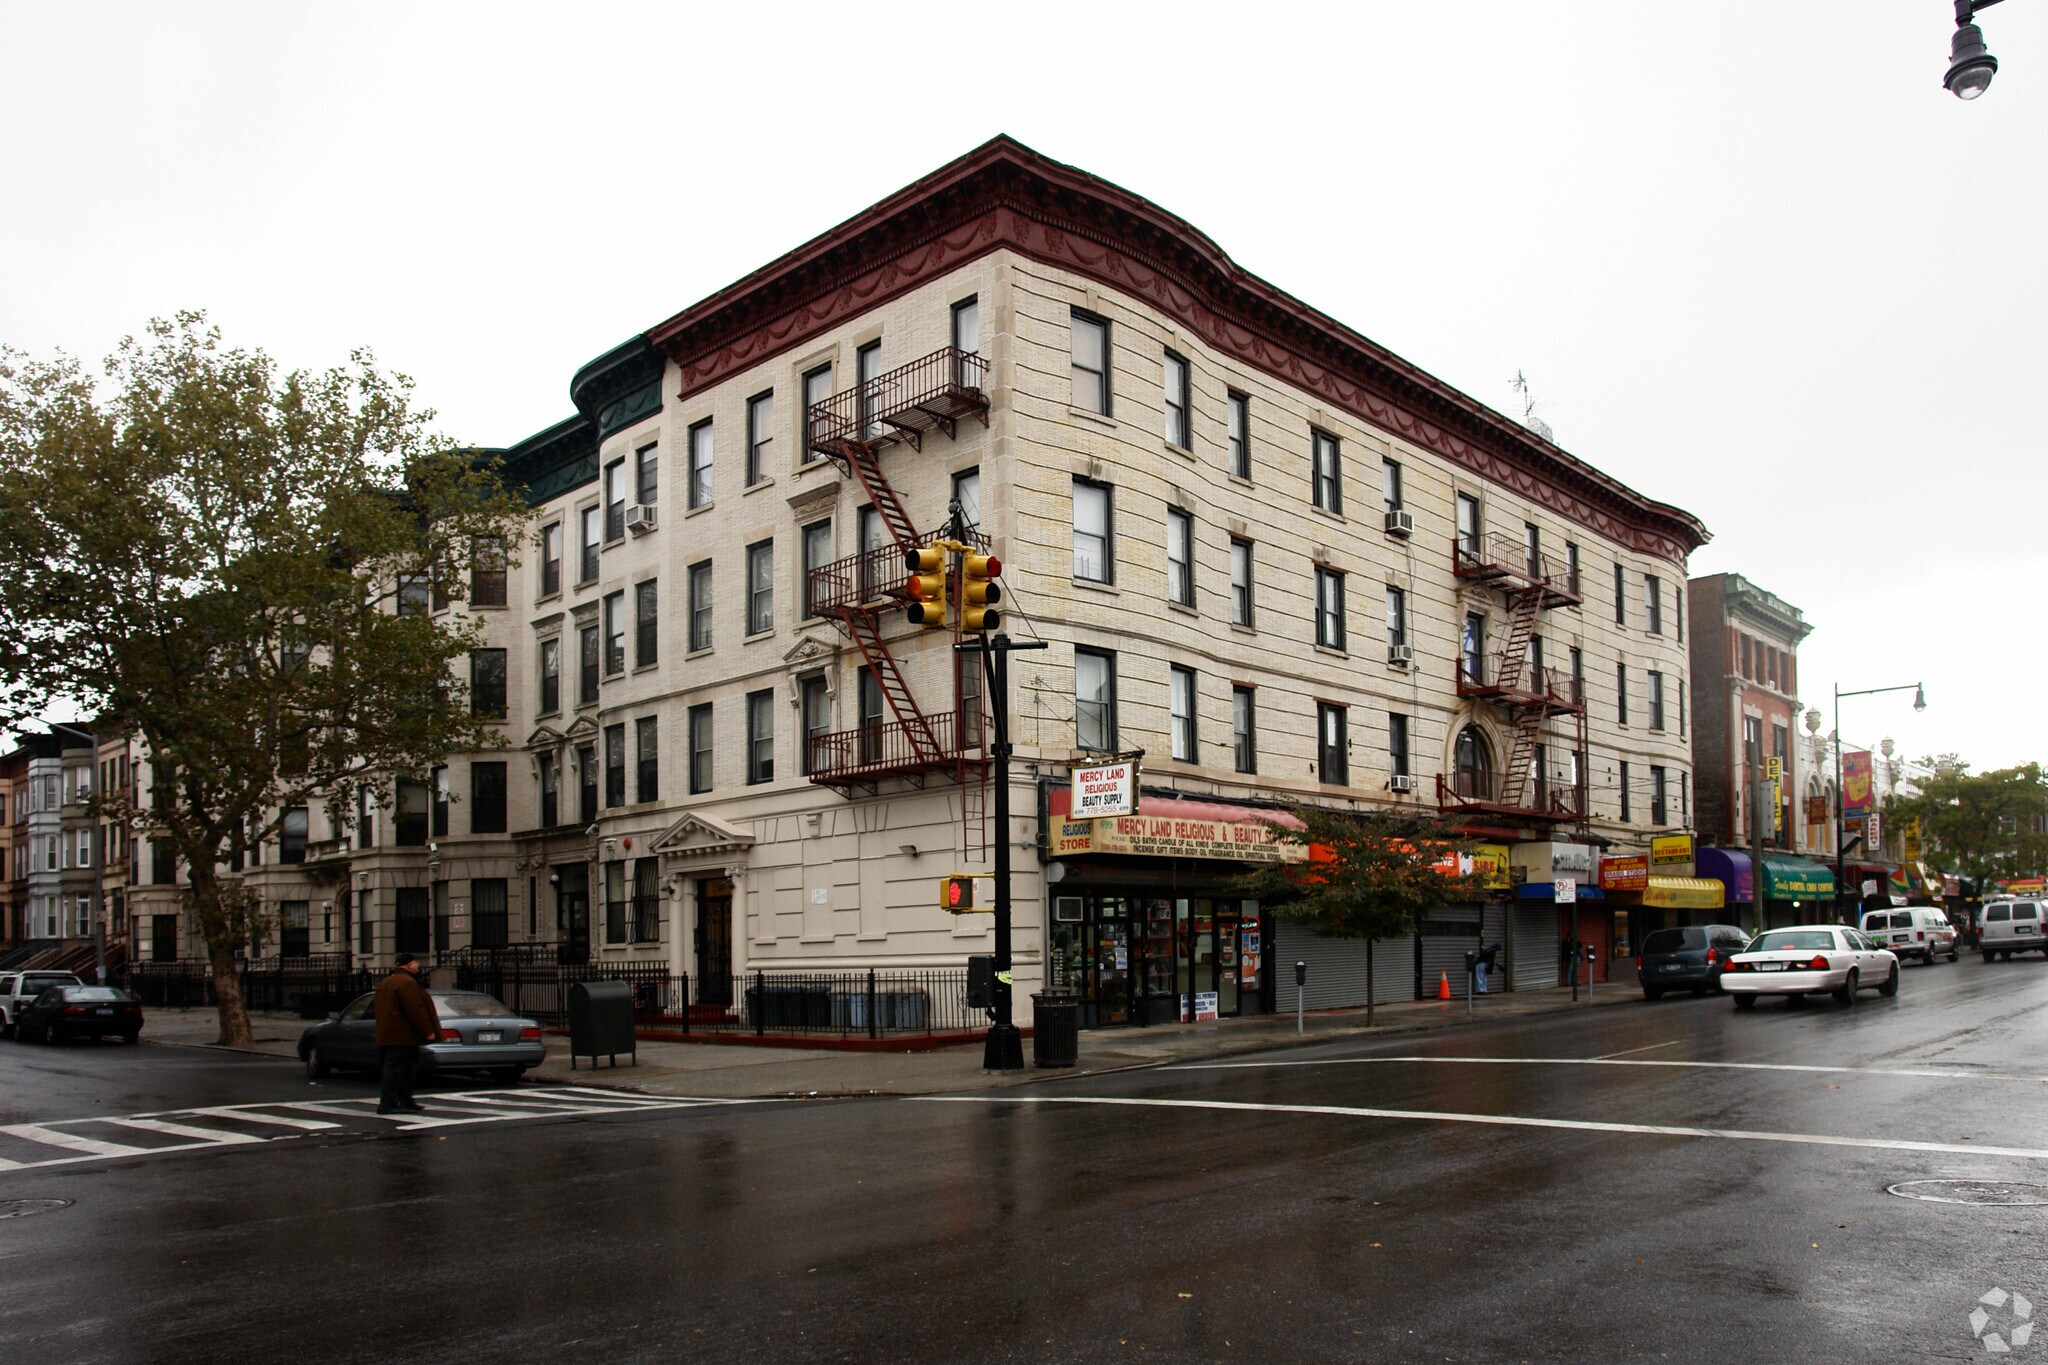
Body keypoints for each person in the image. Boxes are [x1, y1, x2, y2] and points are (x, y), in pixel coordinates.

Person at [373, 951, 441, 1115]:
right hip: (403, 1035)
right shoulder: (407, 983)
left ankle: (404, 1101)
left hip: (390, 1034)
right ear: (410, 964)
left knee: (401, 1069)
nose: (418, 965)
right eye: (416, 962)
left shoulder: (386, 982)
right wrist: (428, 1031)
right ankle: (389, 1103)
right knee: (400, 1070)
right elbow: (415, 1009)